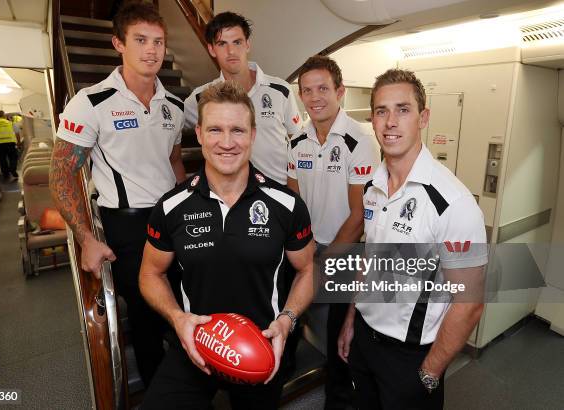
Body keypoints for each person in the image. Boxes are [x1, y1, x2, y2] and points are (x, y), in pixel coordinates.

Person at [138, 81, 314, 409]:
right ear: (200, 134)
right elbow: (150, 274)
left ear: (253, 135)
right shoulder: (171, 206)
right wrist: (178, 319)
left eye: (238, 130)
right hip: (194, 342)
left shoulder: (286, 205)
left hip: (260, 347)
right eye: (216, 130)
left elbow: (307, 270)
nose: (227, 143)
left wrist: (286, 321)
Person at [49, 1, 186, 386]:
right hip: (126, 225)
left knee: (184, 296)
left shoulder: (173, 105)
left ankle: (189, 377)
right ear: (117, 44)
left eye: (158, 41)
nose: (152, 50)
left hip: (171, 217)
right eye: (140, 40)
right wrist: (86, 238)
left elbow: (174, 160)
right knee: (143, 312)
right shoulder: (91, 102)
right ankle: (161, 389)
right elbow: (60, 174)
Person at [337, 69, 487, 409]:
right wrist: (350, 320)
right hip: (364, 340)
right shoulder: (373, 187)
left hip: (411, 358)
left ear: (423, 117)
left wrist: (429, 374)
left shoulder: (453, 202)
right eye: (381, 111)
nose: (390, 121)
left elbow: (470, 304)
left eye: (403, 109)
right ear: (372, 120)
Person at [287, 55, 380, 409]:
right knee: (295, 313)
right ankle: (288, 366)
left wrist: (323, 260)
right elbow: (293, 201)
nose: (314, 97)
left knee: (340, 334)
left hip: (344, 249)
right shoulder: (297, 140)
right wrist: (302, 247)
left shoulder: (360, 141)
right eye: (307, 91)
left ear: (339, 91)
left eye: (322, 88)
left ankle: (338, 399)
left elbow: (359, 216)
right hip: (306, 245)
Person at [184, 11, 302, 185]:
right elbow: (166, 130)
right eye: (222, 43)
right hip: (228, 197)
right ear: (211, 49)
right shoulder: (200, 98)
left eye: (237, 42)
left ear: (247, 44)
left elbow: (298, 144)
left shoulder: (280, 91)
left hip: (278, 191)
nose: (231, 51)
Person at [0, 110, 19, 180]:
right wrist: (18, 142)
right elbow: (17, 133)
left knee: (2, 159)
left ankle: (6, 174)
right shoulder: (11, 123)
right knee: (13, 157)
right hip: (10, 142)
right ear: (4, 116)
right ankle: (13, 170)